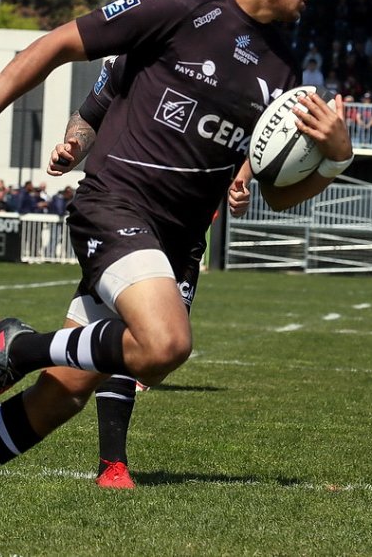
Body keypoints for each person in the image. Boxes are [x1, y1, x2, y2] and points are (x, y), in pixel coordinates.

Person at [0, 0, 354, 554]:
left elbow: (279, 193)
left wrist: (338, 158)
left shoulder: (285, 72)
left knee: (59, 400)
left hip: (174, 244)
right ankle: (22, 344)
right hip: (117, 205)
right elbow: (55, 43)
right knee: (166, 343)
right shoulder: (183, 4)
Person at [44, 53, 256, 489]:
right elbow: (89, 113)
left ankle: (20, 347)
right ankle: (112, 464)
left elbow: (253, 143)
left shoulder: (248, 73)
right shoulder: (138, 54)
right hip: (128, 213)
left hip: (186, 233)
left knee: (86, 376)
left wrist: (243, 179)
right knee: (140, 336)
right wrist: (73, 147)